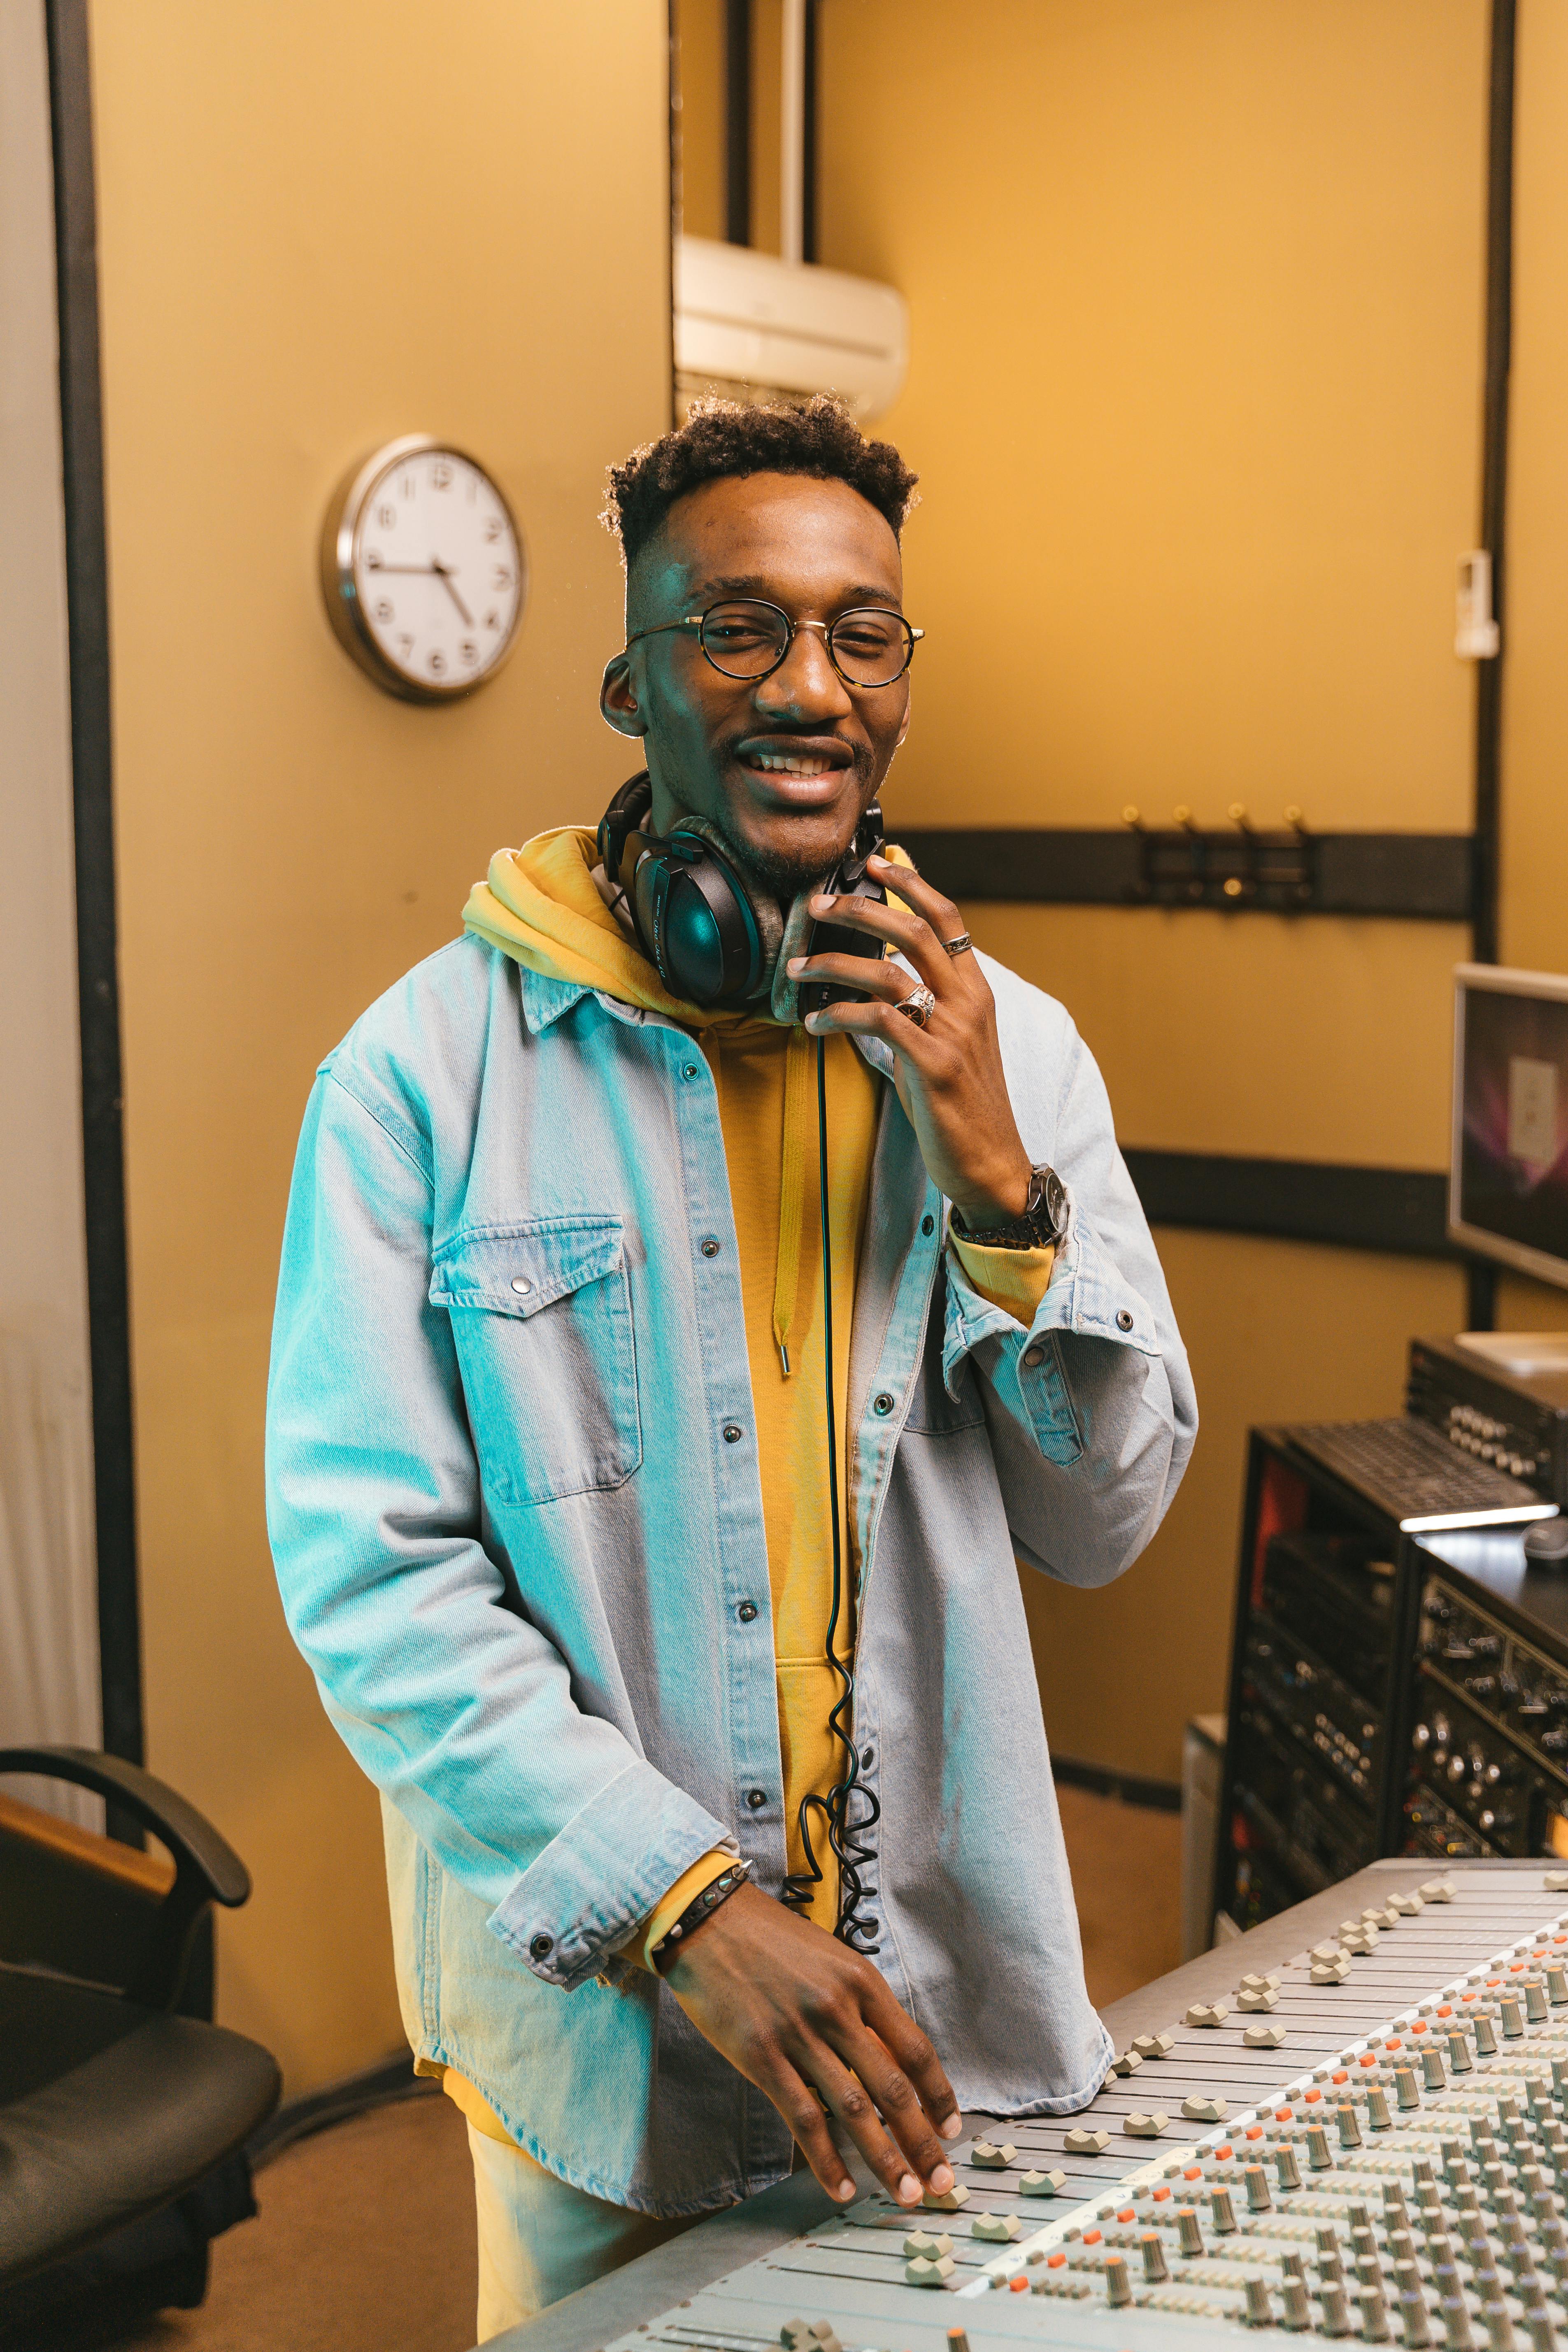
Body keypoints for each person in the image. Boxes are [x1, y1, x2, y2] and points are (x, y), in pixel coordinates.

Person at [267, 396, 1196, 2340]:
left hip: (945, 2004)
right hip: (606, 2040)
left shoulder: (1006, 1049)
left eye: (863, 636)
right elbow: (376, 1583)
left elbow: (1101, 1521)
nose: (809, 685)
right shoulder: (419, 1080)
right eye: (737, 628)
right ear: (630, 682)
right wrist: (679, 1905)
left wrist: (993, 1175)